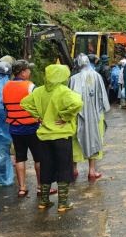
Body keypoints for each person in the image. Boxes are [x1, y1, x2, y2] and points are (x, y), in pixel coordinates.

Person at [21, 64, 84, 212]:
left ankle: (44, 200)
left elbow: (25, 103)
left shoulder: (39, 91)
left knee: (46, 167)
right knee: (64, 167)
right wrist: (65, 117)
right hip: (62, 135)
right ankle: (63, 203)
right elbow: (77, 103)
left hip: (44, 136)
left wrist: (39, 117)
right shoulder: (64, 91)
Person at [4, 60, 52, 197]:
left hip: (14, 127)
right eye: (29, 70)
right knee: (38, 158)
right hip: (31, 127)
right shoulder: (31, 86)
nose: (30, 72)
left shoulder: (6, 86)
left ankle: (22, 188)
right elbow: (41, 102)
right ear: (23, 72)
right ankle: (40, 187)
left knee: (20, 157)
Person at [68, 54, 110, 181]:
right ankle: (92, 171)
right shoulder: (97, 76)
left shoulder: (73, 79)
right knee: (94, 137)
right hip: (95, 114)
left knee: (75, 140)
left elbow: (68, 98)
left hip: (77, 114)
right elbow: (103, 96)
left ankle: (74, 170)